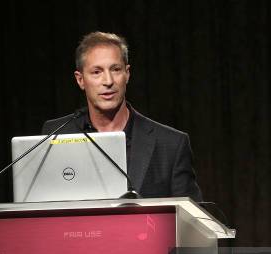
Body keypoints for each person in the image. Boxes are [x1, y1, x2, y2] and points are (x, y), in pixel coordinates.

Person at [42, 31, 202, 201]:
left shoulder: (171, 144)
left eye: (116, 69)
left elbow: (192, 221)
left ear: (127, 74)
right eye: (97, 72)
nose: (108, 81)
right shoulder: (55, 134)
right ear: (80, 80)